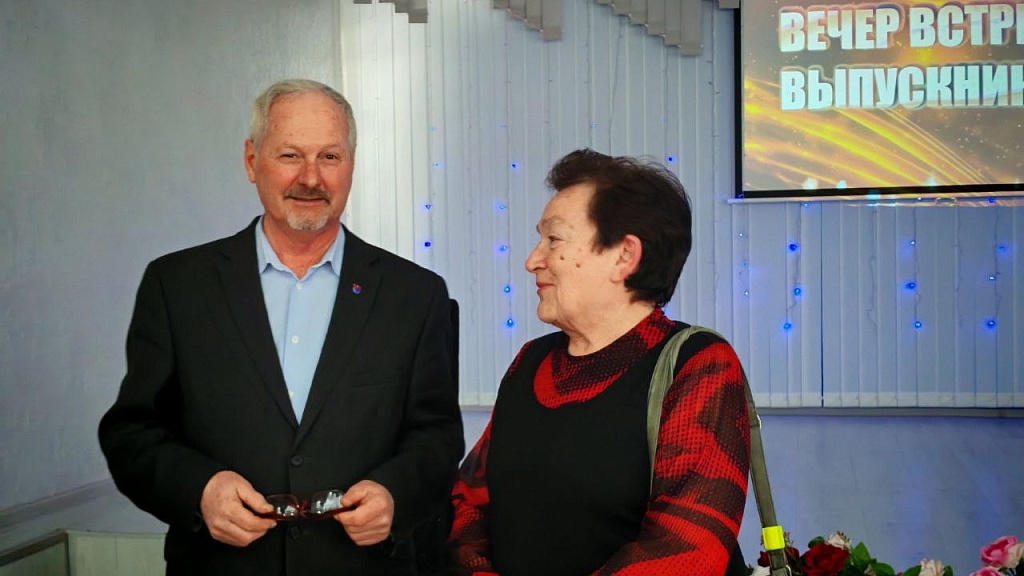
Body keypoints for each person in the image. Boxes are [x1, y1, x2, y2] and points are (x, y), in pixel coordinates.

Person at [98, 79, 464, 576]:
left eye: (330, 157)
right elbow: (132, 433)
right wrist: (199, 490)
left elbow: (437, 435)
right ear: (252, 161)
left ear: (351, 164)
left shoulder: (415, 295)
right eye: (290, 155)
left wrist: (394, 494)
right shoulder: (177, 285)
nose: (311, 178)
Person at [448, 149, 751, 576]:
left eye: (553, 240)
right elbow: (469, 501)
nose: (532, 260)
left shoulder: (697, 365)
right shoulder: (531, 362)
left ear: (624, 256)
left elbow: (685, 549)